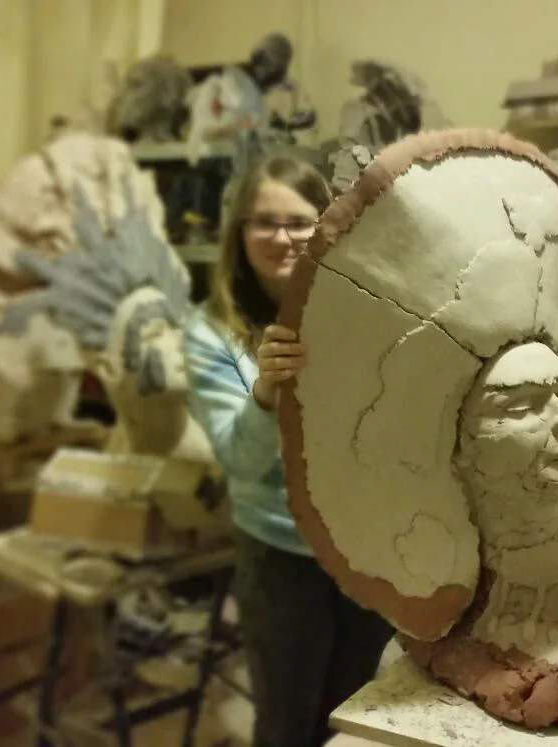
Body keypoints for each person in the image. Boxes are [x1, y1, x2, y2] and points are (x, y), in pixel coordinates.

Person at [183, 155, 393, 746]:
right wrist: (266, 394)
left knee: (354, 713)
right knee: (286, 724)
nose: (282, 238)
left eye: (299, 221)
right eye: (264, 222)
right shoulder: (211, 332)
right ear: (239, 233)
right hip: (280, 554)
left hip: (363, 547)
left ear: (325, 225)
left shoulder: (361, 306)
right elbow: (239, 461)